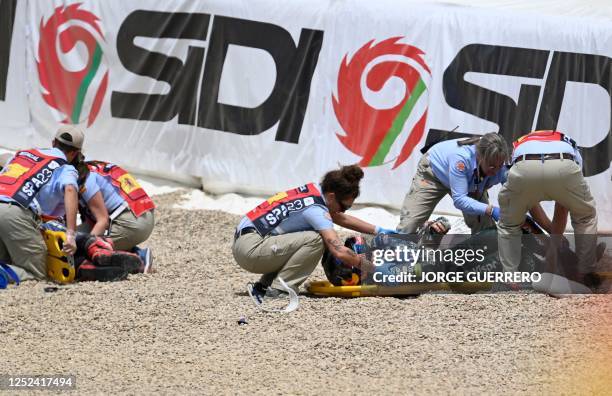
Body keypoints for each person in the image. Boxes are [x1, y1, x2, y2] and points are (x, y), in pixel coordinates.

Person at [232, 164, 395, 301]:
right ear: (331, 196)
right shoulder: (316, 210)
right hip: (251, 251)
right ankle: (280, 290)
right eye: (344, 206)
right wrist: (374, 270)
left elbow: (339, 218)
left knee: (304, 235)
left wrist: (378, 230)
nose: (343, 210)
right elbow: (338, 250)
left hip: (247, 242)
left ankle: (266, 284)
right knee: (317, 239)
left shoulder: (313, 192)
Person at [497, 130, 598, 278]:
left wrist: (553, 239)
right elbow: (562, 206)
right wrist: (554, 242)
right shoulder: (570, 146)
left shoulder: (519, 143)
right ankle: (586, 272)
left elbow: (529, 204)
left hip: (524, 165)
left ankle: (510, 277)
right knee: (585, 218)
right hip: (563, 163)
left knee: (509, 224)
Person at [0, 125, 83, 281]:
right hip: (15, 211)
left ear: (53, 142)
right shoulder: (65, 167)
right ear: (75, 153)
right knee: (36, 272)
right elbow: (70, 190)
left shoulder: (23, 153)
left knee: (7, 260)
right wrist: (70, 234)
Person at [397, 132, 512, 234]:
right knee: (409, 227)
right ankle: (423, 231)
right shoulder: (461, 159)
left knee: (485, 226)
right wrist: (491, 210)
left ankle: (484, 255)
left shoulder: (500, 164)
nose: (496, 171)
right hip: (434, 174)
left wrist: (521, 215)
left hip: (468, 182)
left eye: (499, 166)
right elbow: (460, 200)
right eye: (492, 167)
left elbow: (515, 191)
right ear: (479, 157)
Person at [75, 156, 155, 269]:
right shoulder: (90, 166)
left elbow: (102, 221)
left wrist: (85, 246)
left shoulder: (84, 179)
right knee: (74, 238)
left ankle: (139, 258)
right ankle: (131, 250)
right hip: (141, 212)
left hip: (133, 221)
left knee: (80, 250)